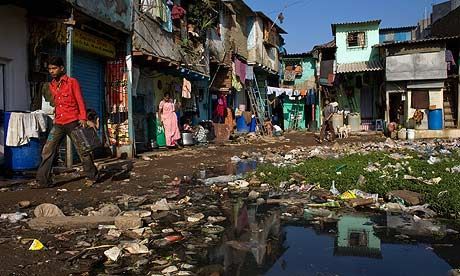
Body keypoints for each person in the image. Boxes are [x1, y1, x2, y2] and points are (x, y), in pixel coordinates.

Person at [34, 56, 99, 188]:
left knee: (83, 151)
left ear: (61, 68)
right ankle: (43, 181)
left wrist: (83, 118)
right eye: (50, 69)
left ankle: (92, 176)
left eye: (54, 68)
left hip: (73, 121)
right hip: (58, 122)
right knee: (48, 150)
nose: (51, 71)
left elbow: (80, 100)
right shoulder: (51, 85)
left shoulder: (72, 82)